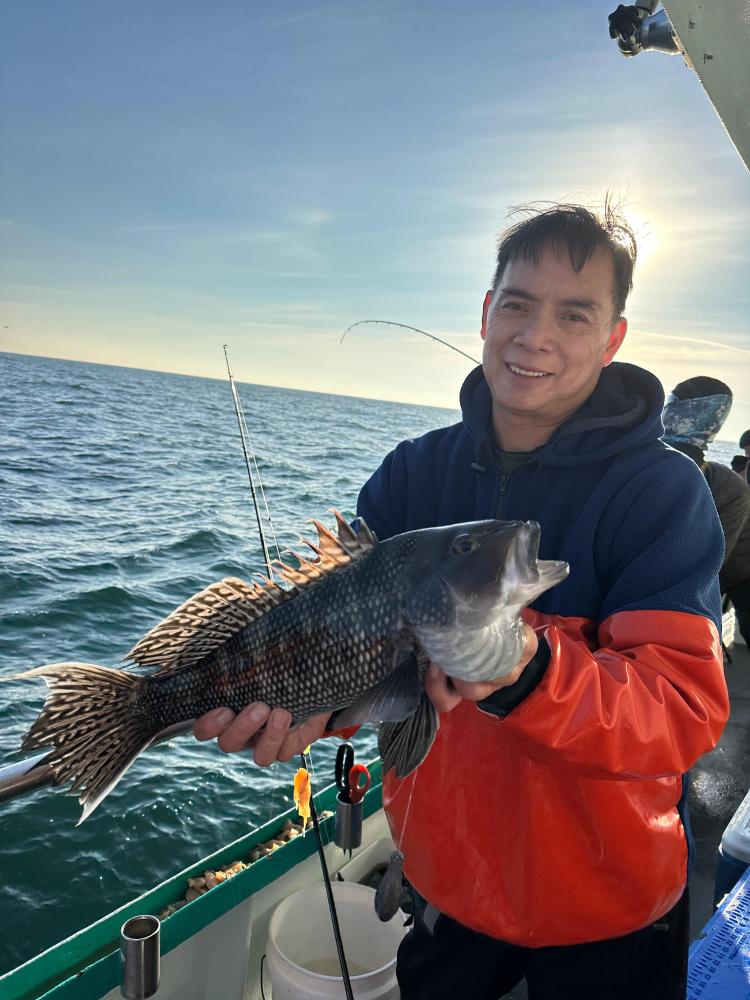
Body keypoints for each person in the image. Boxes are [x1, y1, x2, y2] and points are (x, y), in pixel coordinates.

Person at [194, 204, 729, 1000]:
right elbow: (353, 651)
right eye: (516, 303)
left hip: (608, 902)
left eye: (573, 313)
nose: (534, 335)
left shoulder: (661, 494)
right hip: (447, 885)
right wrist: (311, 713)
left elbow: (680, 711)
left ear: (612, 337)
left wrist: (529, 667)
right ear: (485, 313)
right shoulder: (413, 471)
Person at [662, 379, 750, 648]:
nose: (667, 413)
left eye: (675, 406)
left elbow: (713, 561)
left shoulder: (729, 487)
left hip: (740, 573)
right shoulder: (652, 464)